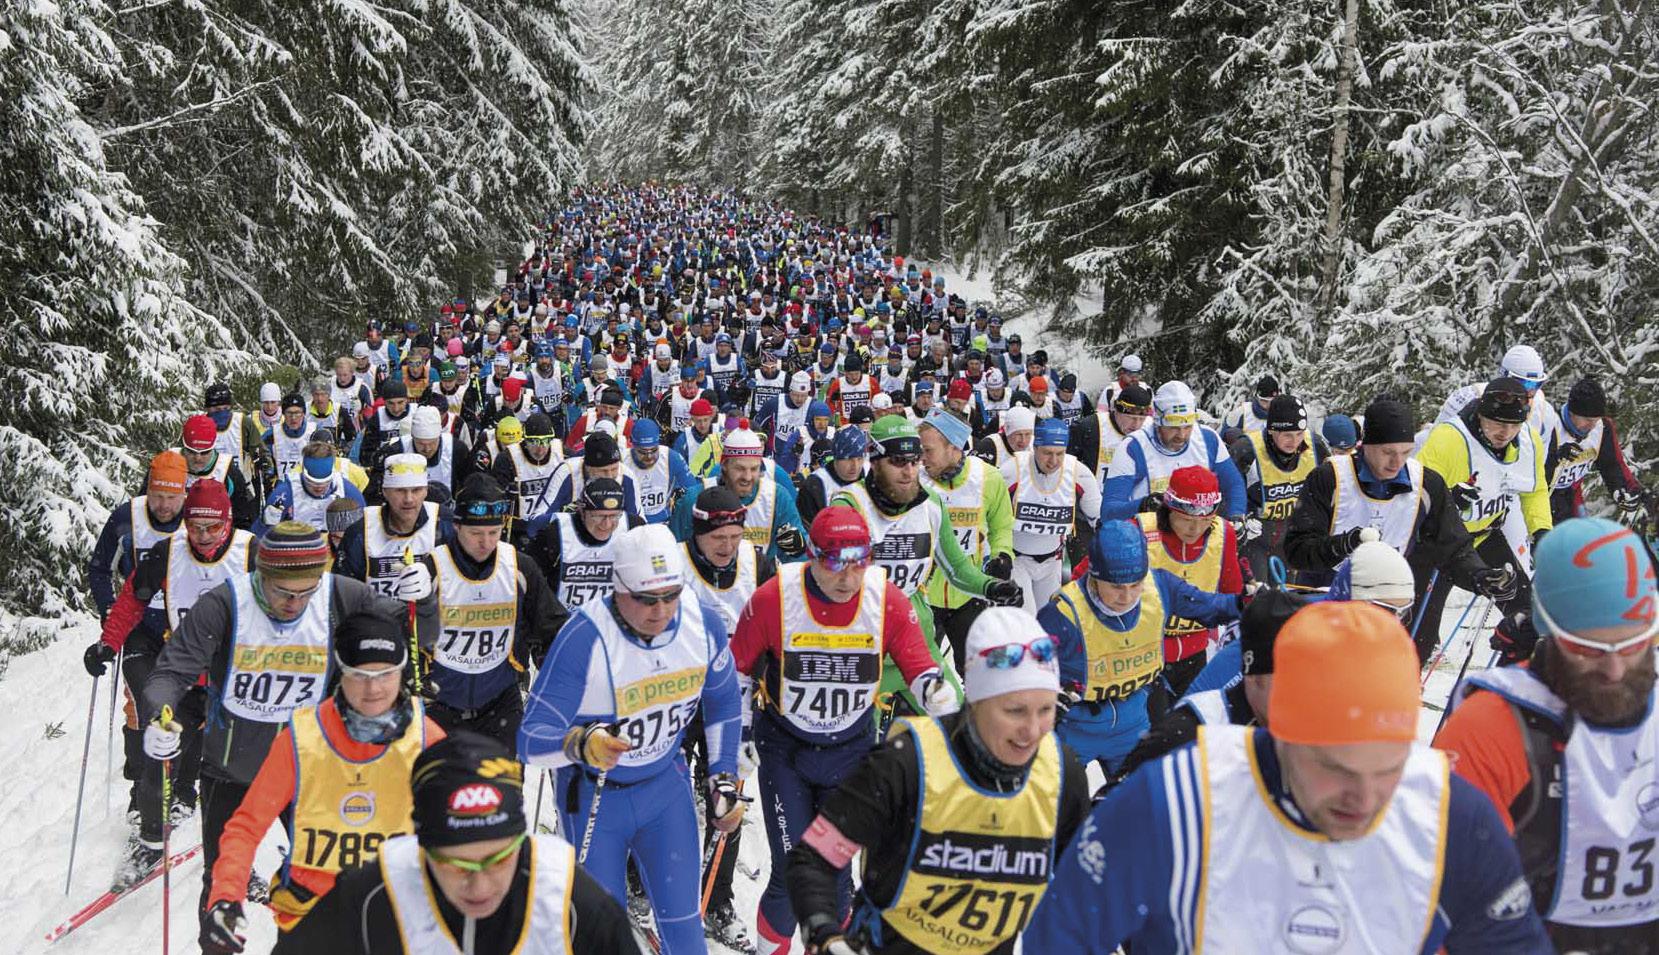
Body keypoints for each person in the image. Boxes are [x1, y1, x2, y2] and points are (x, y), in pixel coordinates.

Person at [1023, 601, 1554, 952]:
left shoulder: (1451, 819)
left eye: (1390, 767)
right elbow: (1062, 937)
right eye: (1334, 768)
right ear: (1279, 729)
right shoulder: (1176, 799)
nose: (1364, 796)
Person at [139, 522, 435, 916]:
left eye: (306, 591)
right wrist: (159, 717)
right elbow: (170, 673)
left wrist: (424, 600)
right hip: (231, 769)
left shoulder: (341, 596)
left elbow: (418, 636)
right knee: (222, 883)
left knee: (325, 882)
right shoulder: (224, 603)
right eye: (282, 591)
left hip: (311, 769)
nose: (295, 603)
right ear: (262, 574)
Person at [785, 606, 1092, 955]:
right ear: (975, 701)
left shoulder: (1061, 774)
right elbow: (813, 861)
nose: (1032, 731)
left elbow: (1084, 888)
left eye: (1046, 709)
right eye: (1015, 711)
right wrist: (824, 933)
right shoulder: (906, 762)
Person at [731, 506, 958, 954]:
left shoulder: (885, 599)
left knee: (836, 875)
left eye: (859, 562)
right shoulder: (775, 597)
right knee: (791, 873)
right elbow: (736, 669)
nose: (848, 577)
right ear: (812, 555)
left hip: (850, 752)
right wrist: (738, 733)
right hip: (787, 751)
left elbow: (919, 664)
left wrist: (937, 695)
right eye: (834, 562)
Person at [1434, 517, 1659, 952]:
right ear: (1548, 633)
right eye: (1587, 650)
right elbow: (1445, 907)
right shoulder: (1490, 730)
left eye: (1633, 645)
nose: (1615, 670)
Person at [519, 525, 743, 955]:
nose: (661, 611)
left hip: (664, 789)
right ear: (619, 589)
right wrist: (580, 743)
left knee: (686, 932)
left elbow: (724, 699)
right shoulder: (584, 636)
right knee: (604, 937)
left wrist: (723, 777)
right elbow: (530, 738)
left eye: (671, 595)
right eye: (646, 599)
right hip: (594, 797)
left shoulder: (702, 624)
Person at [199, 612, 445, 949]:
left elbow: (463, 835)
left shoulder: (427, 740)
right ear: (341, 672)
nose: (373, 689)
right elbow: (246, 827)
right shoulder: (302, 739)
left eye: (385, 674)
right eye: (359, 675)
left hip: (395, 921)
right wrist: (226, 896)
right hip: (311, 918)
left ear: (401, 672)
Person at [271, 732, 642, 954]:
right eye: (455, 865)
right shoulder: (376, 894)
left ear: (521, 842)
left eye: (498, 860)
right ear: (421, 848)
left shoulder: (568, 900)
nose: (479, 886)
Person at [87, 479, 254, 885]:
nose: (203, 537)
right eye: (195, 527)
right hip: (183, 674)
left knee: (231, 771)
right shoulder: (167, 553)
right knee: (158, 753)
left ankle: (237, 857)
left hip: (231, 679)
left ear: (228, 522)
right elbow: (131, 600)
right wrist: (108, 643)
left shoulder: (251, 553)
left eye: (213, 528)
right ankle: (149, 842)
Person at [1283, 394, 1511, 662]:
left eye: (1405, 452)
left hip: (1386, 614)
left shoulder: (1427, 485)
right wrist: (1343, 545)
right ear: (1366, 445)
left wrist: (1480, 576)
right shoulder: (1329, 478)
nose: (1396, 462)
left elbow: (1453, 548)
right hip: (1325, 604)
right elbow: (1297, 550)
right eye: (1388, 452)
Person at [831, 415, 1023, 713]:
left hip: (915, 641)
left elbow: (956, 568)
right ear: (875, 460)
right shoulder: (849, 505)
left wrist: (992, 587)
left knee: (955, 724)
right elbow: (830, 579)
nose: (909, 471)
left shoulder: (930, 503)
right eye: (898, 461)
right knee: (860, 738)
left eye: (915, 460)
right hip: (864, 647)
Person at [1039, 520, 1243, 777]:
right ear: (1094, 576)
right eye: (1116, 586)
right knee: (1059, 798)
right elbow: (1028, 667)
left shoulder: (1159, 586)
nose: (1126, 597)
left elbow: (1210, 606)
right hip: (1077, 727)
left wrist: (1247, 601)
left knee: (1145, 795)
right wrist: (1046, 696)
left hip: (1132, 721)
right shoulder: (1063, 612)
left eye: (1136, 584)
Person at [678, 486, 777, 952]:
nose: (727, 546)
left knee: (726, 803)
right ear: (698, 532)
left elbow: (777, 631)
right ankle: (643, 882)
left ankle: (716, 901)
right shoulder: (675, 562)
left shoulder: (758, 564)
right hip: (676, 700)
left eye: (735, 535)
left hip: (732, 704)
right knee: (662, 796)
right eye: (718, 537)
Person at [1107, 587, 1304, 786]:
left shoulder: (1308, 716)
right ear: (1254, 676)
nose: (1304, 694)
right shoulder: (1191, 730)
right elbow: (1113, 801)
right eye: (1289, 681)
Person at [426, 474, 564, 747]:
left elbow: (552, 626)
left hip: (500, 701)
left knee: (504, 776)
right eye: (476, 533)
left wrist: (559, 681)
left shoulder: (520, 567)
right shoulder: (432, 568)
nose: (486, 543)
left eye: (494, 532)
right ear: (456, 526)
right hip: (441, 702)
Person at [1417, 377, 1550, 660]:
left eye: (1514, 425)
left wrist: (1541, 531)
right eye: (1498, 423)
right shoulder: (1449, 439)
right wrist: (1447, 500)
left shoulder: (1529, 442)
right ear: (1480, 414)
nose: (1505, 432)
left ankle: (1510, 682)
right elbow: (1416, 497)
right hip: (1440, 544)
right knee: (1420, 637)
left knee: (1528, 620)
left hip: (1484, 536)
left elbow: (1535, 490)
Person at [917, 409, 1015, 674]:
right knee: (920, 672)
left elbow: (1001, 526)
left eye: (928, 450)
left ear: (954, 447)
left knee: (978, 673)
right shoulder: (915, 481)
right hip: (925, 595)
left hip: (969, 593)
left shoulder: (988, 477)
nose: (922, 458)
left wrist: (1003, 556)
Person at [1136, 466, 1244, 696]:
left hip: (1196, 653)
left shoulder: (1223, 533)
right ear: (1169, 510)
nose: (1195, 528)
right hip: (1145, 655)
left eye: (1206, 520)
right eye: (1186, 519)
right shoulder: (1138, 530)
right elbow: (1084, 582)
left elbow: (1233, 593)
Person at [1101, 380, 1246, 522]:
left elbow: (1233, 483)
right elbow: (1109, 512)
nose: (1181, 435)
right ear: (1157, 422)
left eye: (1188, 427)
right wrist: (1143, 505)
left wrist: (1237, 515)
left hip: (1197, 530)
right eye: (1173, 428)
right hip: (1150, 533)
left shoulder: (1208, 439)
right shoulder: (1134, 447)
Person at [1001, 417, 1101, 610]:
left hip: (1052, 561)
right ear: (1035, 448)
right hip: (1016, 560)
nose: (1053, 461)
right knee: (1027, 619)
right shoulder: (1012, 470)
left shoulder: (1079, 473)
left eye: (1060, 454)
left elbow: (1098, 516)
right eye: (1047, 453)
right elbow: (989, 513)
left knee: (1048, 618)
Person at [671, 427, 807, 561]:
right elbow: (674, 553)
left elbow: (798, 561)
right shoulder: (695, 499)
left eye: (754, 469)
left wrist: (799, 551)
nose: (747, 477)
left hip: (760, 575)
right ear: (724, 466)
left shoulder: (777, 497)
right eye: (740, 469)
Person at [1228, 394, 1324, 576]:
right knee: (1259, 589)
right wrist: (1240, 518)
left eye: (1299, 434)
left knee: (1290, 590)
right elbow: (1227, 491)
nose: (1294, 442)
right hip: (1256, 538)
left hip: (1293, 537)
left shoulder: (1315, 447)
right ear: (1272, 430)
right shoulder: (1246, 451)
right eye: (1287, 435)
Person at [335, 452, 454, 599]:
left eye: (416, 490)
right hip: (375, 612)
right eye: (400, 491)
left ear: (426, 491)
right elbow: (343, 595)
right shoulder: (361, 531)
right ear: (385, 492)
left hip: (432, 611)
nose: (409, 499)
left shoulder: (444, 523)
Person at [1542, 376, 1648, 524]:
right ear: (1572, 413)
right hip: (1540, 498)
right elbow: (1531, 472)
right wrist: (1556, 458)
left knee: (1580, 536)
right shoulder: (1551, 426)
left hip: (1570, 498)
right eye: (1587, 420)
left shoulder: (1602, 428)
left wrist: (1626, 489)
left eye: (1596, 419)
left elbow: (1611, 464)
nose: (1592, 426)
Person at [530, 477, 636, 611]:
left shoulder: (632, 529)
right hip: (564, 618)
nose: (607, 524)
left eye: (614, 516)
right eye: (598, 516)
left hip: (613, 618)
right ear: (581, 511)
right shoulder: (556, 533)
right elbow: (532, 585)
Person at [256, 440, 365, 535]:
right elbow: (263, 535)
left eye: (325, 483)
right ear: (302, 473)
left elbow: (361, 534)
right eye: (312, 482)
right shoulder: (284, 494)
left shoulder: (348, 492)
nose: (319, 488)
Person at [491, 411, 564, 543]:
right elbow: (494, 497)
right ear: (524, 440)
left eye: (545, 441)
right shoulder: (508, 459)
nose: (540, 449)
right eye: (534, 442)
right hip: (519, 530)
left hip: (553, 527)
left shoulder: (561, 454)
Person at [178, 414, 260, 528]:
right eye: (192, 452)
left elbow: (241, 519)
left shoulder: (228, 471)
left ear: (213, 447)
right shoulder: (169, 463)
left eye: (204, 452)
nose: (198, 458)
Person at [1069, 382, 1151, 488]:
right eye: (1131, 418)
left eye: (1142, 419)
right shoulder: (1091, 427)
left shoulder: (1149, 429)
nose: (1136, 425)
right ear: (1116, 411)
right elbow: (1067, 464)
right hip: (1093, 493)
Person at [622, 418, 697, 524]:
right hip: (630, 521)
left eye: (654, 450)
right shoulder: (622, 461)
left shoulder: (671, 457)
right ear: (632, 446)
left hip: (662, 521)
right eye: (643, 452)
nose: (649, 457)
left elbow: (693, 490)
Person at [797, 426, 869, 526]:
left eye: (859, 459)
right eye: (848, 459)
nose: (855, 466)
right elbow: (807, 527)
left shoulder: (871, 475)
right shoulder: (815, 484)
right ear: (836, 456)